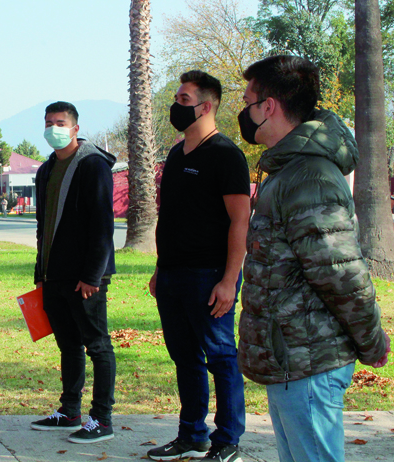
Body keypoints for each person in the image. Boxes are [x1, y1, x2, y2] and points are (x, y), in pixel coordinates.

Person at [237, 55, 391, 462]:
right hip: (291, 359)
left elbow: (342, 276)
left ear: (269, 106)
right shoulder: (287, 171)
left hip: (308, 364)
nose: (245, 113)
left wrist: (373, 342)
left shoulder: (309, 178)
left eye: (248, 102)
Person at [146, 71, 250, 462]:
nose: (176, 106)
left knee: (221, 356)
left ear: (206, 107)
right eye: (176, 98)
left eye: (184, 100)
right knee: (185, 357)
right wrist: (161, 269)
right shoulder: (176, 155)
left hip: (209, 276)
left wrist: (229, 280)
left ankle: (228, 441)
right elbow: (172, 218)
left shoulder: (226, 155)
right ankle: (192, 434)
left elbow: (240, 221)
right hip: (172, 276)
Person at [30, 101, 117, 444]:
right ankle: (69, 412)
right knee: (68, 345)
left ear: (75, 128)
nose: (54, 128)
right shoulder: (46, 169)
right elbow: (44, 226)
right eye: (49, 123)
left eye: (60, 123)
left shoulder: (92, 165)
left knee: (97, 345)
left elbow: (102, 225)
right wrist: (40, 272)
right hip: (54, 275)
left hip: (86, 277)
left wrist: (93, 275)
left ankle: (102, 419)